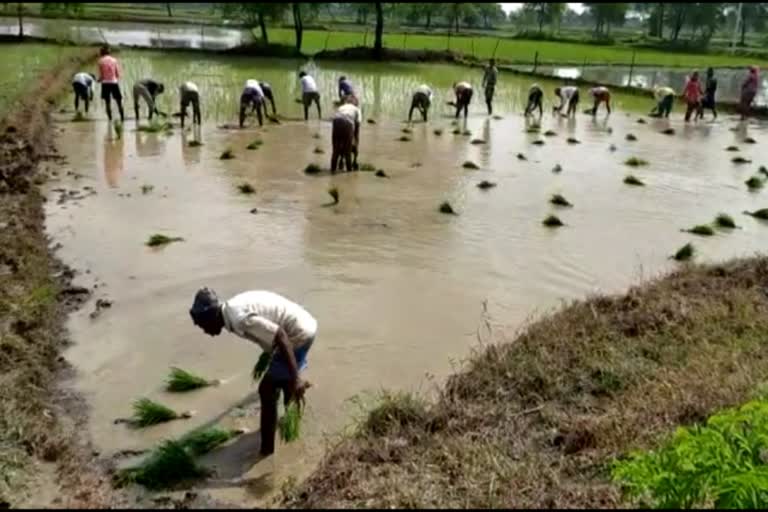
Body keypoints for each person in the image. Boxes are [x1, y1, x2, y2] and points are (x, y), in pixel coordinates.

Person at [189, 288, 316, 457]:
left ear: (211, 316)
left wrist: (296, 378)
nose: (206, 332)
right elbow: (269, 327)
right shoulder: (231, 309)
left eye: (203, 326)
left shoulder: (239, 319)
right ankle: (292, 435)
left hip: (298, 333)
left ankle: (266, 452)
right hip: (303, 323)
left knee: (267, 389)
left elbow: (280, 335)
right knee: (284, 384)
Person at [331, 96, 361, 173]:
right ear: (356, 103)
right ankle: (349, 175)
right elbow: (356, 131)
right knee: (348, 152)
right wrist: (356, 145)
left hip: (336, 121)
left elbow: (337, 116)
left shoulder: (342, 107)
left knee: (335, 151)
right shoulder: (357, 109)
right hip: (347, 123)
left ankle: (332, 170)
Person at [97, 46, 124, 123]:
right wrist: (116, 78)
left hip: (105, 83)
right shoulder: (114, 60)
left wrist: (99, 80)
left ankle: (110, 119)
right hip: (114, 82)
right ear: (109, 53)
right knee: (119, 101)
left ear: (102, 53)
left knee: (107, 102)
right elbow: (117, 74)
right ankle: (122, 119)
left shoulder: (100, 61)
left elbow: (101, 76)